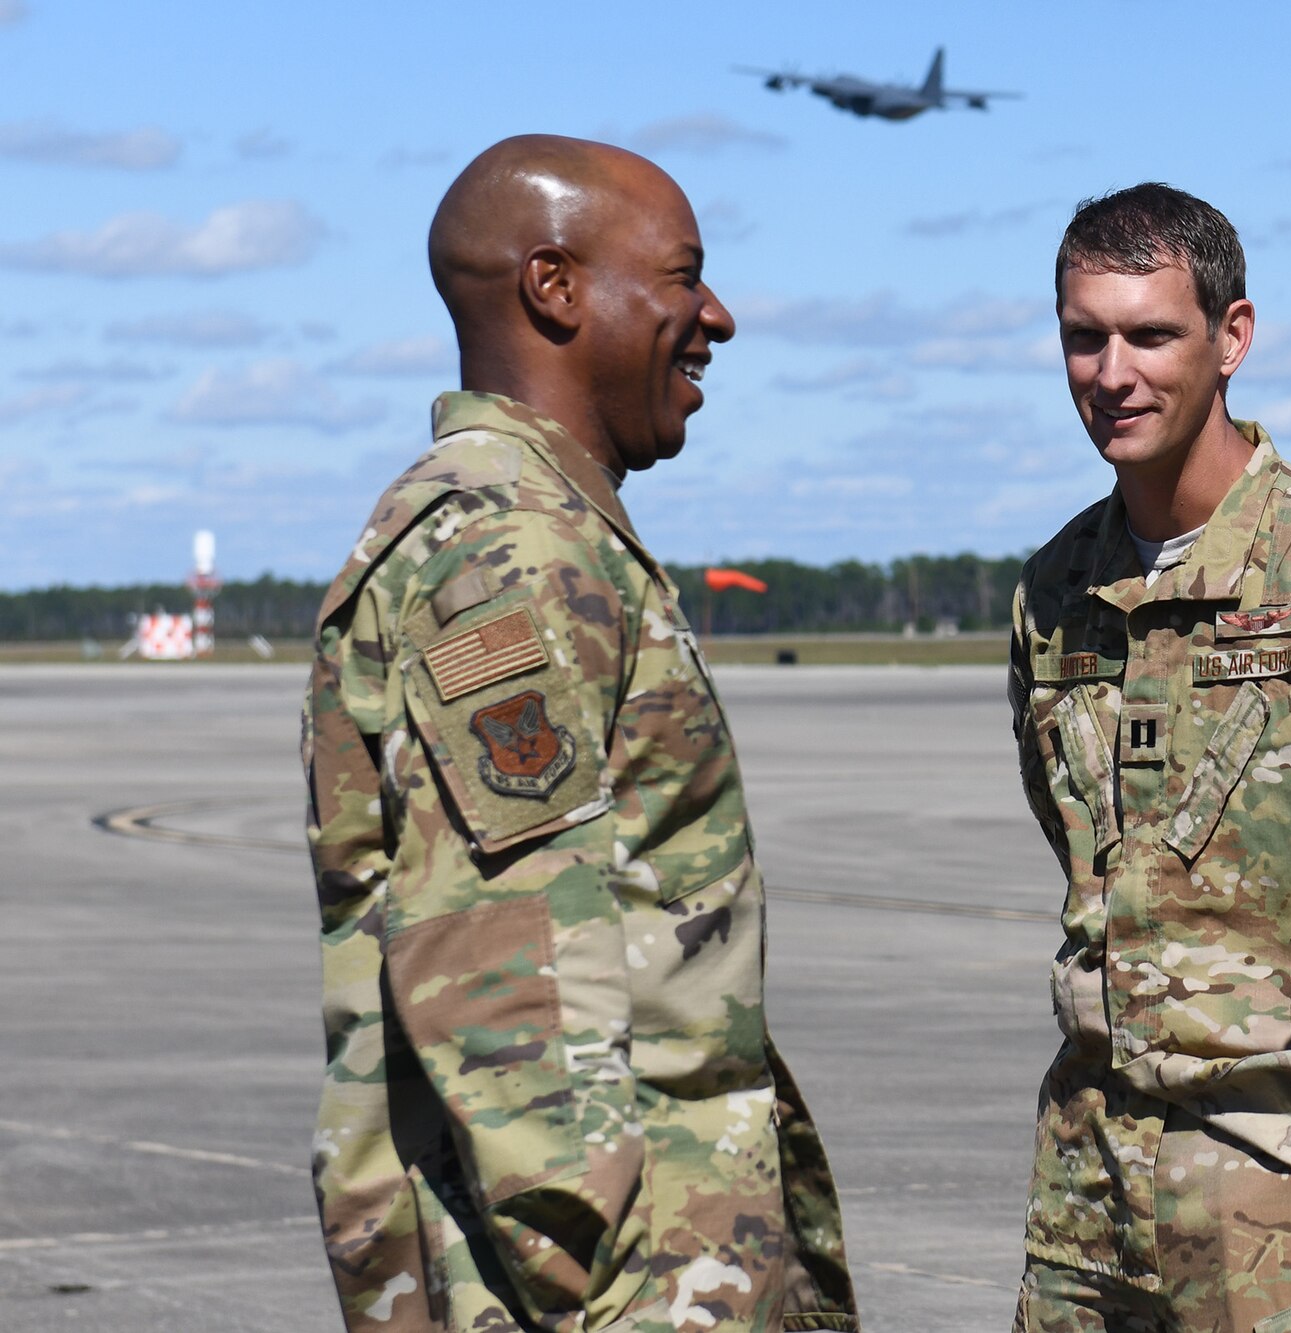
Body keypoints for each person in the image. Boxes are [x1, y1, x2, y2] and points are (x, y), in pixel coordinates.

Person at [302, 135, 857, 1333]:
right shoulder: (514, 549)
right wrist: (626, 1294)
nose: (715, 315)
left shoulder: (539, 530)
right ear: (554, 289)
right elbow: (507, 992)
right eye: (679, 276)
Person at [1007, 183, 1291, 1332]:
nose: (1112, 373)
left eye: (1151, 334)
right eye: (1083, 337)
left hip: (1286, 1186)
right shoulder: (1059, 591)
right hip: (1087, 1186)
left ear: (1231, 339)